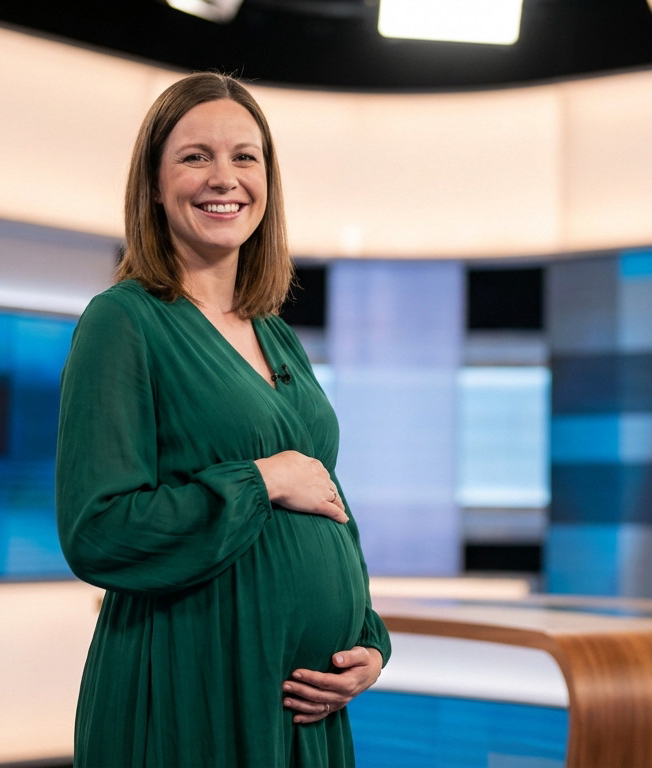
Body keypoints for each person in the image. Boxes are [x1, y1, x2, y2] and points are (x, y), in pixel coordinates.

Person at [55, 72, 390, 767]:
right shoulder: (123, 322)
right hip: (192, 686)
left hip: (304, 710)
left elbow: (323, 494)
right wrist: (259, 481)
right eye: (195, 156)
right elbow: (99, 532)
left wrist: (368, 640)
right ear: (153, 184)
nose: (224, 178)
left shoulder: (275, 332)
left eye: (244, 157)